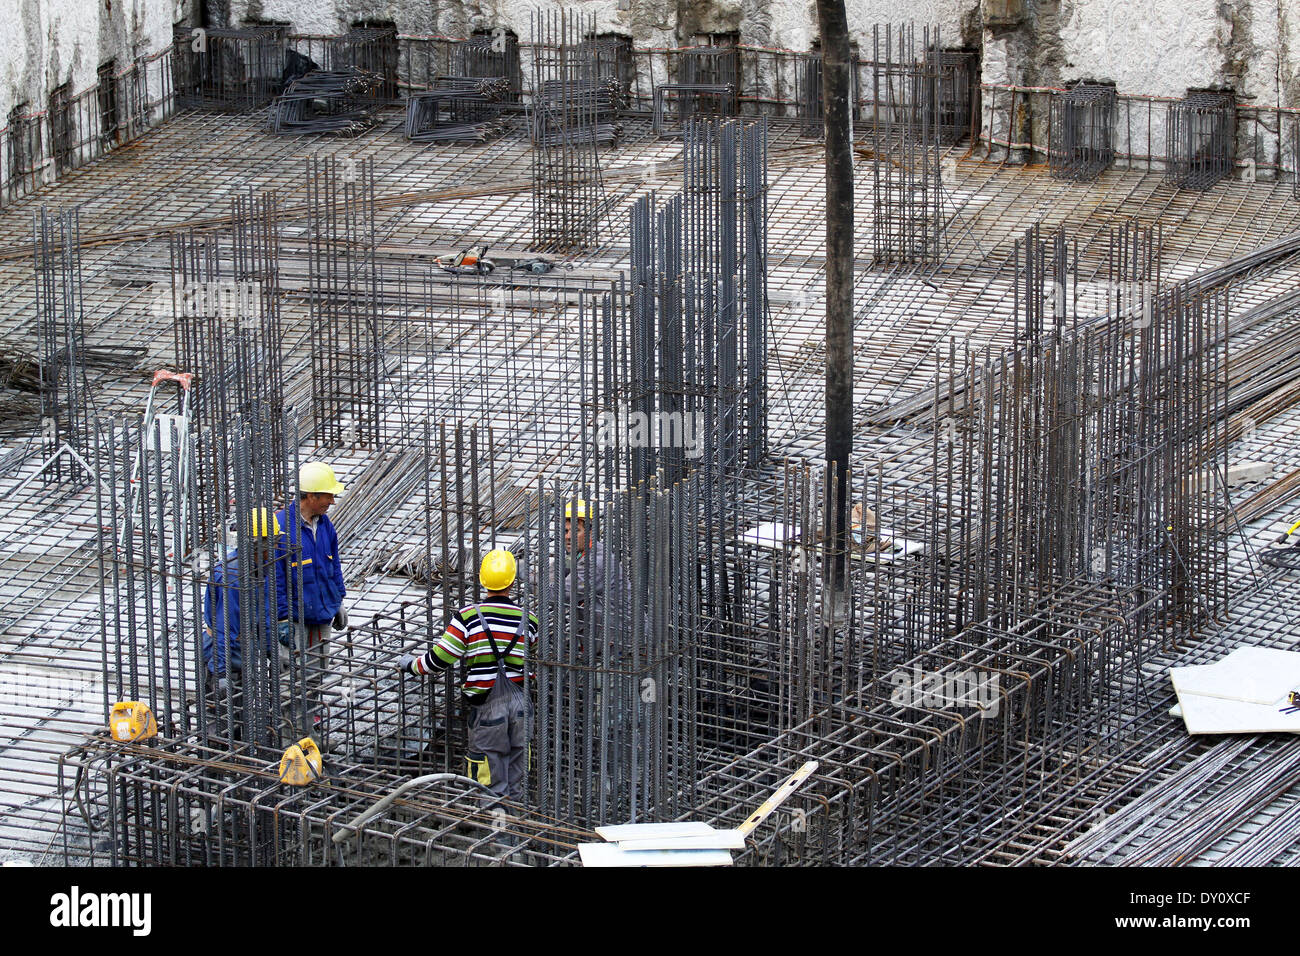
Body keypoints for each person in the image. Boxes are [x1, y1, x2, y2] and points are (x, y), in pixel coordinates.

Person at [399, 549, 537, 804]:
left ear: (482, 580)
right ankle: (517, 826)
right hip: (521, 707)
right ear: (512, 582)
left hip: (487, 708)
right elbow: (533, 660)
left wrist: (411, 665)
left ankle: (496, 835)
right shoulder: (529, 620)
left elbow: (438, 659)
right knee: (518, 772)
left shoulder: (469, 618)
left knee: (488, 776)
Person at [202, 508, 295, 736]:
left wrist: (273, 652)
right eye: (270, 542)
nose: (274, 547)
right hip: (223, 655)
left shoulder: (262, 568)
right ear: (255, 543)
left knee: (242, 716)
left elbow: (264, 616)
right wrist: (222, 674)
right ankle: (215, 762)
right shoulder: (233, 576)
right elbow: (225, 629)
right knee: (221, 720)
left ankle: (240, 755)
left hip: (245, 653)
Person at [276, 461, 349, 650]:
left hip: (322, 613)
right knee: (290, 675)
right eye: (328, 496)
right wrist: (281, 617)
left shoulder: (325, 525)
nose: (332, 501)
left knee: (319, 673)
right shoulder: (281, 528)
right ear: (311, 496)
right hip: (294, 620)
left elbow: (333, 566)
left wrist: (338, 600)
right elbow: (275, 579)